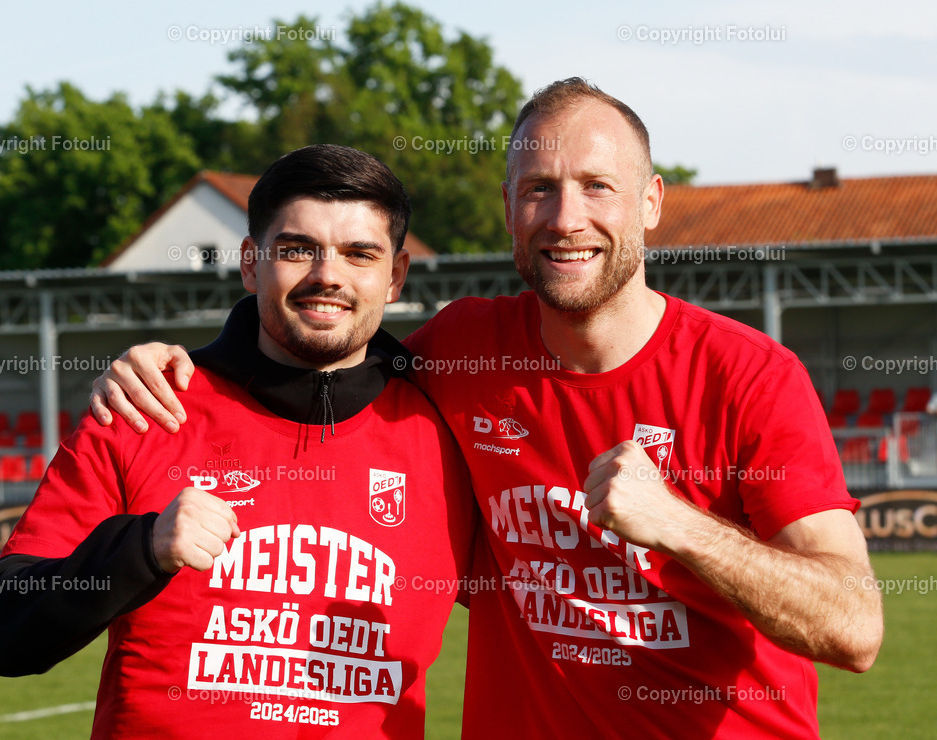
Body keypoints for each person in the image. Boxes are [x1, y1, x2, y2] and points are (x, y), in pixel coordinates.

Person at [90, 79, 884, 739]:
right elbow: (321, 352)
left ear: (650, 202)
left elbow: (854, 628)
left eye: (596, 186)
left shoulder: (747, 376)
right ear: (509, 208)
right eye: (539, 189)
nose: (566, 219)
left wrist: (679, 525)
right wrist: (182, 364)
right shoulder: (462, 350)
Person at [0, 144, 476, 739]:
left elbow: (551, 617)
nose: (327, 275)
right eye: (297, 249)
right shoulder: (148, 408)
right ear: (251, 263)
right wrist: (140, 549)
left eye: (359, 254)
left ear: (396, 277)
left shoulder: (453, 437)